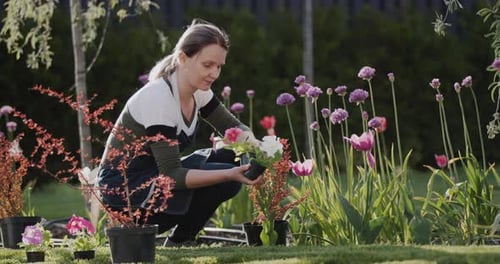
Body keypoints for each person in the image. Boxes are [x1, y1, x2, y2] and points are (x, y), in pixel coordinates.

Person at [97, 19, 261, 246]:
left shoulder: (198, 91)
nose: (214, 73)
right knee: (228, 176)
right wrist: (230, 174)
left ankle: (180, 241)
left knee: (229, 156)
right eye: (207, 65)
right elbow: (172, 174)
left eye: (219, 66)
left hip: (154, 177)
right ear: (183, 58)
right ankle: (179, 239)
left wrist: (258, 147)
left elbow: (233, 128)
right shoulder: (158, 98)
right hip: (126, 194)